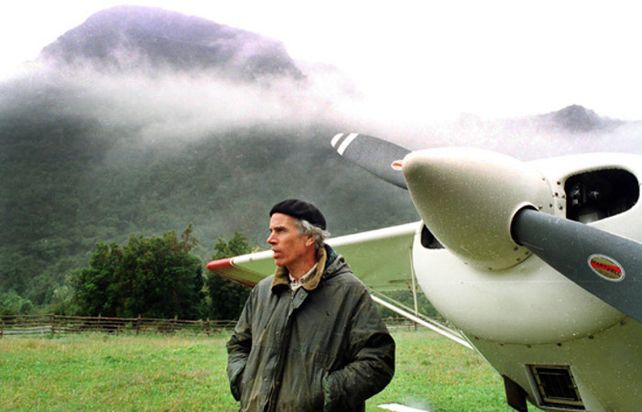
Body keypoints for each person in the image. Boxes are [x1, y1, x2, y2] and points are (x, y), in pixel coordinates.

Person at [227, 199, 395, 412]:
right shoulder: (263, 290)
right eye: (271, 230)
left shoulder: (350, 291)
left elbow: (378, 360)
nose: (270, 239)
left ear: (309, 237)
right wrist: (244, 380)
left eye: (280, 231)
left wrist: (325, 393)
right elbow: (238, 344)